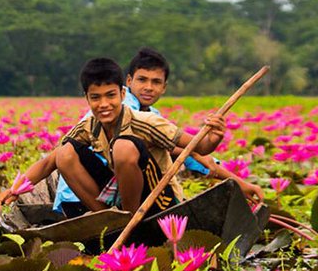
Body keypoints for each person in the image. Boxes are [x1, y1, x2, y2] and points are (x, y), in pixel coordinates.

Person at [0, 57, 227, 218]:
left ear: (122, 93)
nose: (104, 105)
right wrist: (10, 191)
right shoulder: (89, 125)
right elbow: (49, 162)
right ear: (87, 99)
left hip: (159, 202)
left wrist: (215, 136)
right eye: (96, 97)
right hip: (120, 200)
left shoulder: (147, 122)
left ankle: (131, 220)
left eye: (110, 95)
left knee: (123, 146)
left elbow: (201, 147)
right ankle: (107, 218)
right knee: (64, 152)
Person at [53, 47, 263, 217]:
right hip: (89, 195)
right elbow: (191, 152)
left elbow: (189, 151)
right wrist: (233, 178)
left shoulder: (150, 115)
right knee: (126, 149)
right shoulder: (117, 109)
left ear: (164, 87)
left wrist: (236, 181)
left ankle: (122, 218)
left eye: (156, 82)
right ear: (128, 83)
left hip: (88, 196)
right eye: (142, 80)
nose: (149, 88)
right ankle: (127, 219)